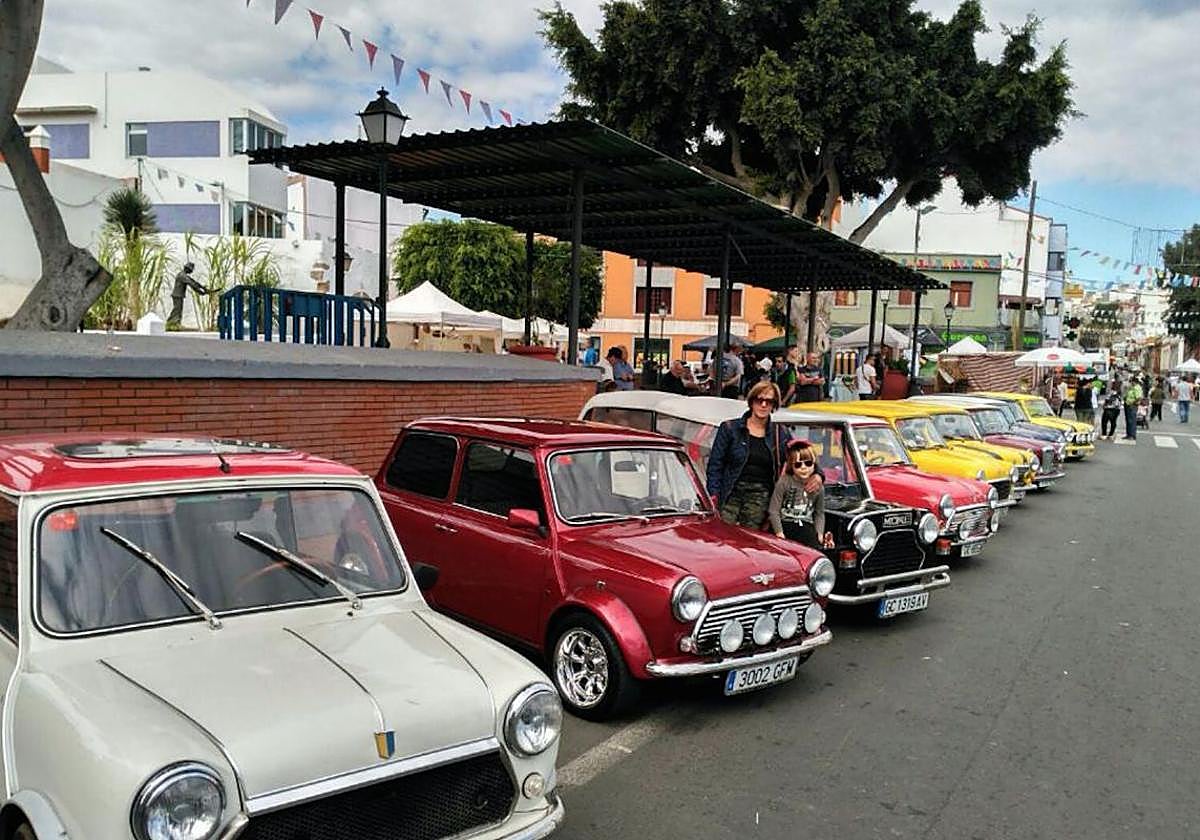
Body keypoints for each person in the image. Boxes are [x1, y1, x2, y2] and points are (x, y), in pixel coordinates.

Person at [706, 382, 818, 528]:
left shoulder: (780, 433)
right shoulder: (729, 428)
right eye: (759, 400)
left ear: (774, 405)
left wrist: (817, 475)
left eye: (769, 401)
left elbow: (802, 454)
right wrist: (713, 495)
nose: (763, 405)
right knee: (724, 535)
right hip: (730, 492)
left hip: (760, 496)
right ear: (752, 401)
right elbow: (715, 465)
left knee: (750, 540)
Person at [768, 439, 834, 550]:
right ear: (791, 466)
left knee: (816, 551)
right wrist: (779, 532)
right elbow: (773, 510)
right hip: (785, 523)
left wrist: (819, 533)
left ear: (814, 464)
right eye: (798, 465)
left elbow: (819, 513)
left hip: (806, 525)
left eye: (808, 463)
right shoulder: (784, 482)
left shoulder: (818, 487)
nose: (803, 467)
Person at [167, 262, 209, 328]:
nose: (191, 272)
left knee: (178, 310)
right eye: (191, 270)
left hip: (178, 295)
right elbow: (191, 284)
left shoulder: (183, 275)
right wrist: (200, 292)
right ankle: (172, 322)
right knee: (177, 310)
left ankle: (175, 323)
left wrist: (203, 287)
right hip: (177, 295)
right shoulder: (182, 276)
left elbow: (193, 282)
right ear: (188, 269)